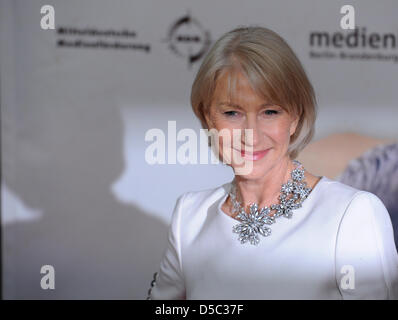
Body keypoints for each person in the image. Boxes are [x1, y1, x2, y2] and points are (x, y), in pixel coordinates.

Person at [146, 26, 398, 299]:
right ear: (208, 118)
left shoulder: (353, 214)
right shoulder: (190, 216)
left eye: (269, 112)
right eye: (232, 112)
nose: (251, 135)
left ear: (295, 118)